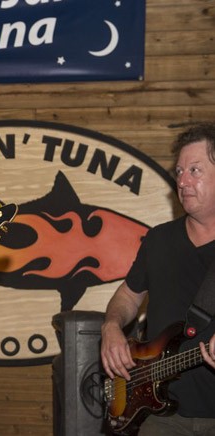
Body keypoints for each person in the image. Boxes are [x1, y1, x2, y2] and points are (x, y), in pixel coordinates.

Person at [101, 122, 215, 435]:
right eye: (179, 172)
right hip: (161, 416)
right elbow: (127, 296)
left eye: (195, 170)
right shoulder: (159, 240)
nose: (183, 181)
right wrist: (111, 327)